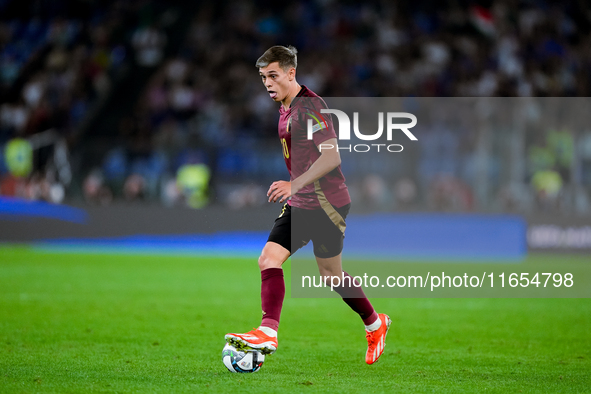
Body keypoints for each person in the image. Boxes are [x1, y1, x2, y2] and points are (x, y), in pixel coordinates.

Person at [225, 45, 391, 365]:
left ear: (291, 73)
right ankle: (268, 331)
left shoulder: (310, 106)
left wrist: (293, 184)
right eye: (263, 78)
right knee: (269, 258)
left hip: (327, 202)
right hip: (303, 201)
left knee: (330, 275)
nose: (268, 83)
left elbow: (332, 156)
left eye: (273, 76)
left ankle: (374, 323)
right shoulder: (286, 107)